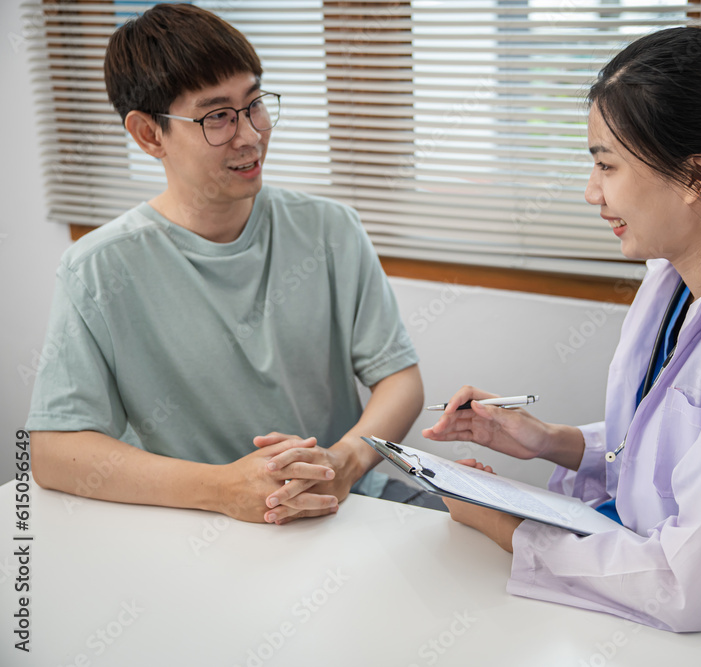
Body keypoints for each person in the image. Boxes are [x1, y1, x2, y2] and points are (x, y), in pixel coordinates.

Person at [423, 26, 701, 632]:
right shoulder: (674, 271)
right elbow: (670, 441)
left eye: (606, 166)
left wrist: (501, 522)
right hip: (643, 564)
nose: (591, 193)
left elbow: (692, 586)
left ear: (696, 177)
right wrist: (547, 439)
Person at [27, 3, 438, 524]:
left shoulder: (330, 230)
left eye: (255, 103)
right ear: (150, 135)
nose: (250, 135)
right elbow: (53, 450)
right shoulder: (98, 269)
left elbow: (399, 378)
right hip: (191, 518)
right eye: (217, 116)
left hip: (342, 499)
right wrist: (222, 488)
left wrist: (346, 462)